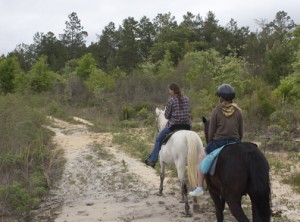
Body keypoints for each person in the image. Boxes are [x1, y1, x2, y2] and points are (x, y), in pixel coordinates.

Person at [189, 83, 243, 196]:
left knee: (201, 157)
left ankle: (199, 187)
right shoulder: (238, 111)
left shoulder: (217, 110)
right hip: (235, 142)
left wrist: (211, 142)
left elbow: (211, 131)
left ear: (221, 98)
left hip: (219, 142)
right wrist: (238, 141)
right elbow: (241, 131)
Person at [144, 83, 192, 168]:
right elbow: (188, 111)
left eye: (169, 90)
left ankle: (152, 160)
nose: (169, 92)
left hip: (174, 126)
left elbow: (166, 116)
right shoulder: (186, 99)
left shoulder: (171, 101)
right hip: (187, 126)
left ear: (173, 90)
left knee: (158, 139)